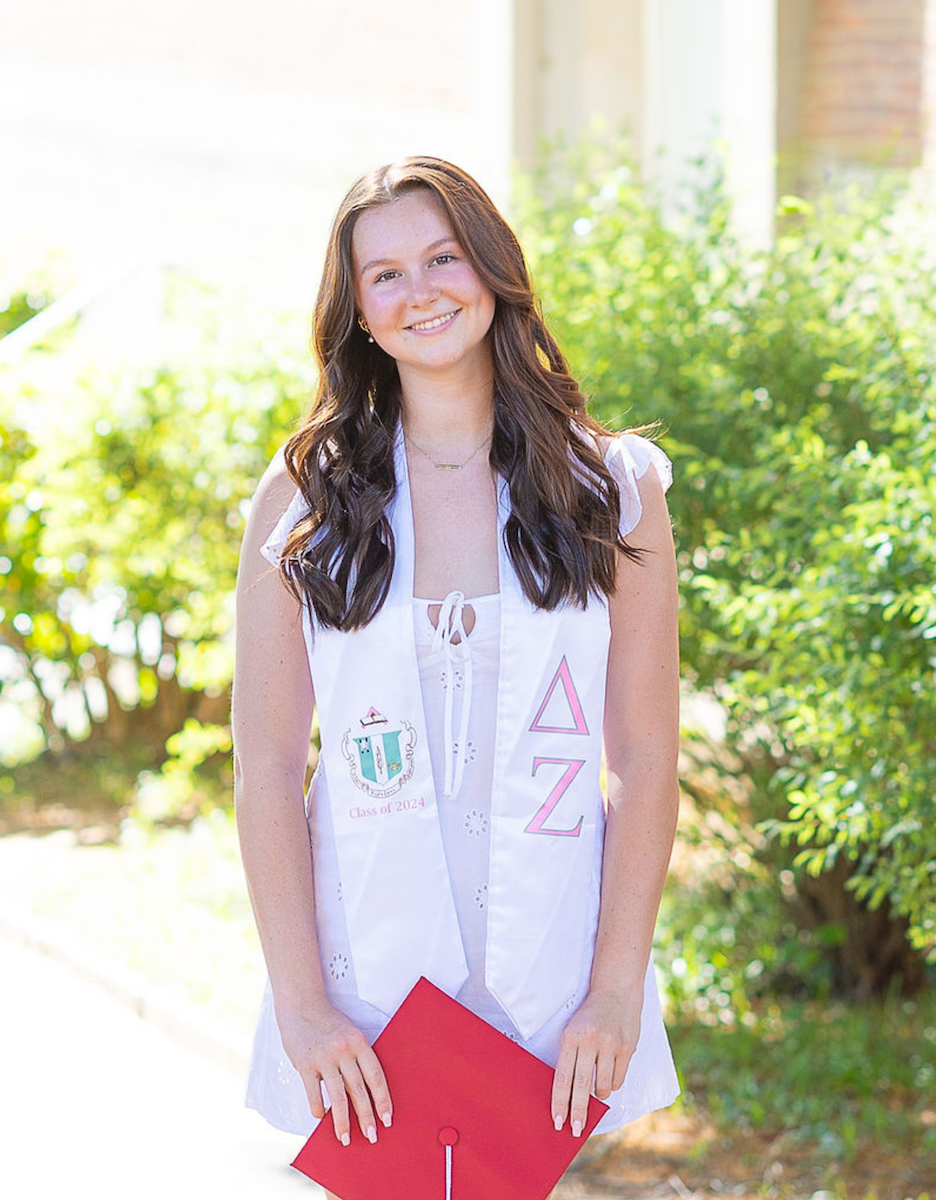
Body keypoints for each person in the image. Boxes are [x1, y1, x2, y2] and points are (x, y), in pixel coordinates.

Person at [232, 153, 683, 1186]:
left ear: (493, 271)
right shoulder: (305, 495)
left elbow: (647, 755)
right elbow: (265, 765)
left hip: (553, 978)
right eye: (384, 274)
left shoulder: (609, 488)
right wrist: (304, 1007)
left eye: (444, 256)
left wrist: (616, 987)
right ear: (356, 309)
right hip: (367, 985)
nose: (420, 290)